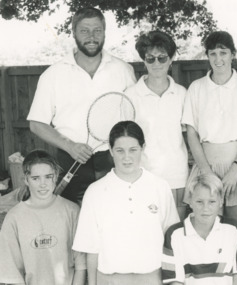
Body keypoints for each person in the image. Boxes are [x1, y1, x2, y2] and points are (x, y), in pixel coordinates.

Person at [27, 7, 136, 204]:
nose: (91, 36)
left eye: (97, 30)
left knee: (113, 221)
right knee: (74, 225)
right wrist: (70, 146)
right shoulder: (53, 75)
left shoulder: (123, 71)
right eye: (84, 30)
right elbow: (36, 123)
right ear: (74, 33)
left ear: (104, 32)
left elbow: (132, 121)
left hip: (113, 161)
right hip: (70, 160)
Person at [72, 121, 179, 285]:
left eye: (133, 150)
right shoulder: (95, 192)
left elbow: (172, 241)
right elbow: (91, 249)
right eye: (120, 150)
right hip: (109, 279)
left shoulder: (160, 187)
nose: (126, 157)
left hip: (152, 278)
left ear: (143, 148)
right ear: (111, 150)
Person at [182, 31, 237, 235]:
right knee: (209, 230)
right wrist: (205, 171)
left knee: (236, 231)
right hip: (206, 166)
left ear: (232, 54)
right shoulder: (196, 88)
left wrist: (235, 170)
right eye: (212, 54)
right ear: (207, 56)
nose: (218, 59)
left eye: (223, 52)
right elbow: (191, 133)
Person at [125, 31, 189, 220]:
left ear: (171, 60)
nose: (156, 64)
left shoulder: (182, 94)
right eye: (150, 59)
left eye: (162, 58)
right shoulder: (130, 95)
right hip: (144, 175)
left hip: (177, 175)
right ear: (143, 61)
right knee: (147, 231)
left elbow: (188, 136)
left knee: (175, 234)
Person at [0, 150, 86, 285]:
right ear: (26, 180)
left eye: (48, 176)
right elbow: (12, 273)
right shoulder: (14, 217)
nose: (43, 184)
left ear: (56, 176)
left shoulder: (72, 211)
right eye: (35, 178)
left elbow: (81, 265)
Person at [162, 173, 237, 285]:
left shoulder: (233, 229)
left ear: (221, 201)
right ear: (190, 201)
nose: (205, 208)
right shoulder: (174, 234)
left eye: (212, 202)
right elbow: (174, 281)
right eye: (199, 202)